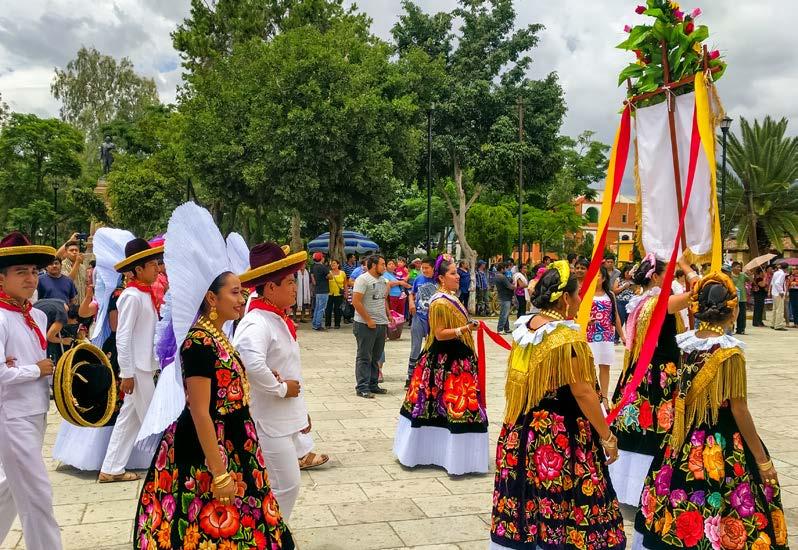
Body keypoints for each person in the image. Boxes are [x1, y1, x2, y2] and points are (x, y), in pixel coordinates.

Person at [133, 203, 294, 549]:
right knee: (208, 523)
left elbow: (224, 381)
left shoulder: (217, 335)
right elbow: (199, 409)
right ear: (211, 297)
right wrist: (219, 472)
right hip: (211, 445)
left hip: (236, 437)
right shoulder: (198, 342)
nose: (241, 298)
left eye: (241, 291)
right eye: (234, 292)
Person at [632, 273, 789, 550]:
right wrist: (762, 459)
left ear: (697, 308)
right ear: (733, 310)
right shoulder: (730, 353)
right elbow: (739, 409)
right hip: (724, 441)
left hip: (686, 437)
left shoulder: (687, 345)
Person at [489, 261, 626, 550]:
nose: (580, 299)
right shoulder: (565, 338)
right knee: (567, 497)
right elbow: (583, 392)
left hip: (524, 427)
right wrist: (607, 436)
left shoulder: (527, 327)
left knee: (530, 494)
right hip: (559, 434)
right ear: (565, 298)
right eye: (577, 294)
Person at [235, 242, 328, 522]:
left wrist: (300, 411)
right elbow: (250, 362)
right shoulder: (257, 322)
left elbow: (289, 369)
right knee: (285, 484)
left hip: (281, 417)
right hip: (267, 420)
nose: (294, 287)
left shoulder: (275, 317)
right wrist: (281, 388)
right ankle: (272, 534)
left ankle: (272, 533)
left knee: (284, 485)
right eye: (289, 282)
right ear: (270, 287)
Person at [608, 253, 696, 506]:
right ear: (656, 277)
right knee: (658, 428)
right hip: (660, 376)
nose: (672, 278)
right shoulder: (661, 302)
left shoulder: (640, 302)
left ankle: (628, 488)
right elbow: (700, 293)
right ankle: (652, 489)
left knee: (638, 427)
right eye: (668, 274)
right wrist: (687, 268)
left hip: (639, 373)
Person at [394, 254, 488, 475]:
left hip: (458, 358)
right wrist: (466, 329)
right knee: (444, 406)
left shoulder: (451, 297)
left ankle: (457, 456)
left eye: (457, 272)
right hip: (445, 362)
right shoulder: (440, 301)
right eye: (453, 273)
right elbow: (439, 334)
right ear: (442, 278)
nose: (458, 276)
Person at [0, 232, 61, 550]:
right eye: (21, 271)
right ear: (2, 278)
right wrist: (34, 370)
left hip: (37, 411)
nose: (30, 278)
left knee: (10, 487)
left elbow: (41, 368)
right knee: (38, 495)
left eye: (34, 271)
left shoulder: (37, 315)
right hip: (12, 417)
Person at [98, 237, 164, 483]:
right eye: (153, 264)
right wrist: (126, 373)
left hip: (144, 365)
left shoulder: (145, 294)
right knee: (154, 419)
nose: (158, 268)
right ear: (138, 269)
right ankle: (166, 468)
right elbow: (123, 336)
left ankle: (111, 468)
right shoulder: (131, 296)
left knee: (129, 419)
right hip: (137, 368)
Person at [351, 254, 390, 398]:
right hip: (365, 324)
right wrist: (368, 319)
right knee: (364, 356)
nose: (384, 267)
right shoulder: (362, 279)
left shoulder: (383, 280)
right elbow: (356, 301)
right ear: (374, 265)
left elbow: (383, 300)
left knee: (376, 356)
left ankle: (373, 384)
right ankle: (362, 386)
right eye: (382, 264)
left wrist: (388, 315)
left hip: (381, 323)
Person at [588, 266, 625, 411]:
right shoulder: (585, 294)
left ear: (603, 278)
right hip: (589, 336)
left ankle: (604, 398)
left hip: (606, 335)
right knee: (589, 367)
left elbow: (615, 316)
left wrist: (622, 335)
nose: (595, 277)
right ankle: (592, 397)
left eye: (598, 275)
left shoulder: (610, 295)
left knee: (605, 366)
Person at [406, 258, 436, 387]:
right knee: (415, 347)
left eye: (427, 268)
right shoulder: (418, 279)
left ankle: (430, 376)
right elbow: (411, 294)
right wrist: (411, 303)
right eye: (423, 268)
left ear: (433, 268)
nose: (424, 270)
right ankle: (410, 376)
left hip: (433, 319)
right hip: (418, 316)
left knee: (432, 348)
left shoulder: (439, 280)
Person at [58, 236, 89, 303]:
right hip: (69, 303)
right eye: (71, 250)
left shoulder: (83, 267)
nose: (74, 252)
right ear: (66, 252)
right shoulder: (62, 265)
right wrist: (77, 263)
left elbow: (86, 284)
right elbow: (68, 281)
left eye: (76, 250)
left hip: (82, 302)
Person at [310, 252, 330, 331]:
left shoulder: (313, 267)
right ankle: (318, 325)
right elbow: (330, 276)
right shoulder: (323, 267)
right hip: (324, 290)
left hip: (317, 289)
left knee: (317, 308)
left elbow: (313, 278)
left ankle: (314, 324)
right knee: (321, 308)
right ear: (322, 258)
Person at [730, 261, 751, 335]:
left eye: (740, 267)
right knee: (732, 314)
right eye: (737, 267)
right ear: (733, 268)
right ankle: (731, 329)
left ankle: (741, 329)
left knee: (742, 315)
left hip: (742, 297)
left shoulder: (743, 275)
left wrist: (750, 275)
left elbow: (750, 280)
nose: (739, 269)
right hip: (733, 298)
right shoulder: (730, 276)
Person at [325, 259, 346, 329]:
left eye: (334, 263)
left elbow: (345, 284)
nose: (332, 264)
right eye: (331, 263)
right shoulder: (328, 272)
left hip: (339, 294)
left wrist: (346, 293)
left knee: (338, 309)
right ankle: (327, 324)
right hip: (329, 293)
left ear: (338, 264)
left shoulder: (342, 273)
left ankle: (337, 324)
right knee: (328, 309)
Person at [494, 261, 515, 334]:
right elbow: (510, 286)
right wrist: (516, 286)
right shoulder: (502, 277)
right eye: (505, 268)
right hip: (505, 297)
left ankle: (507, 328)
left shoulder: (497, 276)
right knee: (504, 314)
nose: (506, 270)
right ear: (502, 269)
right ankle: (500, 329)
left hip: (502, 296)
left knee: (505, 314)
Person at [770, 262, 788, 331]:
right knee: (780, 310)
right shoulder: (782, 274)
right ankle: (778, 325)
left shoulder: (776, 273)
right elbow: (777, 283)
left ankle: (773, 323)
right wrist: (781, 292)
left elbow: (772, 282)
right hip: (778, 293)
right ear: (786, 268)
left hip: (774, 292)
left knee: (775, 309)